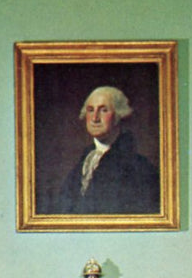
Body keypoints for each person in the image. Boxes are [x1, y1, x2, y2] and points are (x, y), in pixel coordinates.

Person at [58, 86, 160, 214]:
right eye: (90, 110)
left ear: (119, 115)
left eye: (104, 110)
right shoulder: (85, 161)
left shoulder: (138, 167)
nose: (95, 118)